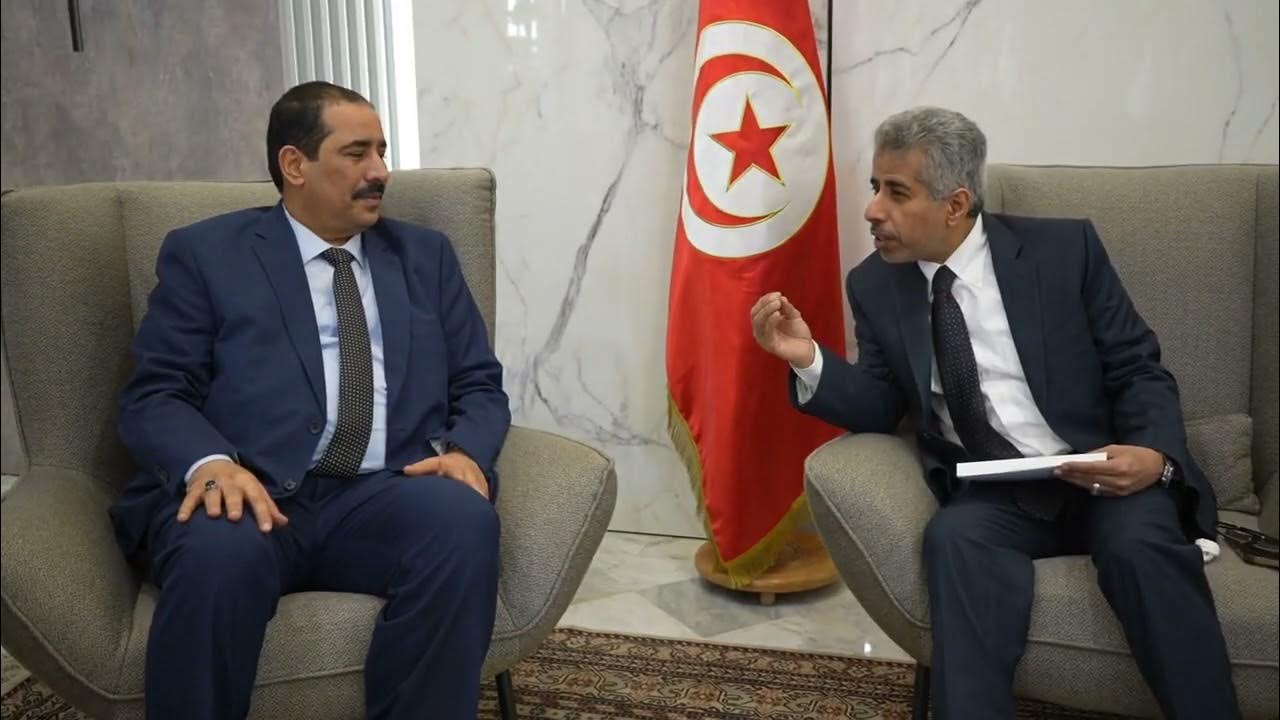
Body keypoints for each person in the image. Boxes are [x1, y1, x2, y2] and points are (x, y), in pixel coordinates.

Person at [750, 106, 1241, 719]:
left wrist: (1152, 455)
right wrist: (808, 359)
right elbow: (881, 405)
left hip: (1103, 472)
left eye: (896, 192)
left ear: (955, 204)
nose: (873, 209)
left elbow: (1138, 367)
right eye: (875, 187)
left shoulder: (1064, 250)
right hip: (997, 492)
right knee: (954, 540)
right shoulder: (875, 284)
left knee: (1139, 549)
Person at [109, 81, 511, 720]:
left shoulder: (425, 257)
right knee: (217, 550)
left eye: (382, 151)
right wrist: (210, 464)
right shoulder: (208, 255)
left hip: (384, 491)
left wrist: (466, 452)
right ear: (294, 165)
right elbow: (156, 393)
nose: (379, 171)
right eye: (356, 153)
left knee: (462, 523)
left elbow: (480, 385)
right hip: (252, 490)